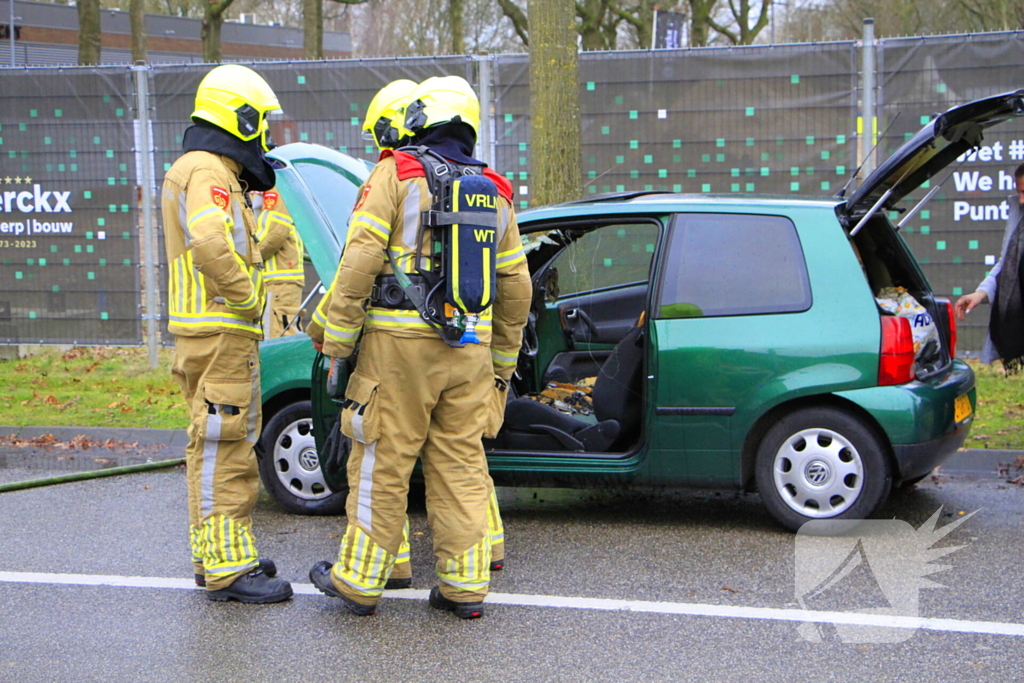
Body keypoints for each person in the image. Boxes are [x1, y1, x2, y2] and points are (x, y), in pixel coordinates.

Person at [306, 76, 531, 618]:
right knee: (460, 464)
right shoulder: (496, 190)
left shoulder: (395, 173)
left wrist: (336, 339)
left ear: (419, 119)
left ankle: (359, 582)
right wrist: (500, 366)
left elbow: (359, 258)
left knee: (380, 458)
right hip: (470, 349)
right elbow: (517, 288)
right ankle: (465, 587)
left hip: (399, 350)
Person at [161, 64, 293, 603]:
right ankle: (227, 570)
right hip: (220, 332)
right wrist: (250, 296)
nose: (263, 135)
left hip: (204, 332)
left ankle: (217, 554)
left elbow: (225, 246)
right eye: (260, 123)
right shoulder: (210, 173)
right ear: (238, 118)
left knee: (211, 444)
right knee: (227, 448)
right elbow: (211, 247)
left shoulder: (199, 169)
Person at [955, 162, 1024, 370]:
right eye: (1019, 192)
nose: (1021, 200)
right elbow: (1006, 266)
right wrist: (980, 294)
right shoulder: (1018, 220)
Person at [257, 186, 305, 337]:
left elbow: (273, 233)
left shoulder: (273, 183)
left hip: (277, 280)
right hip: (272, 278)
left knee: (277, 337)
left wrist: (239, 261)